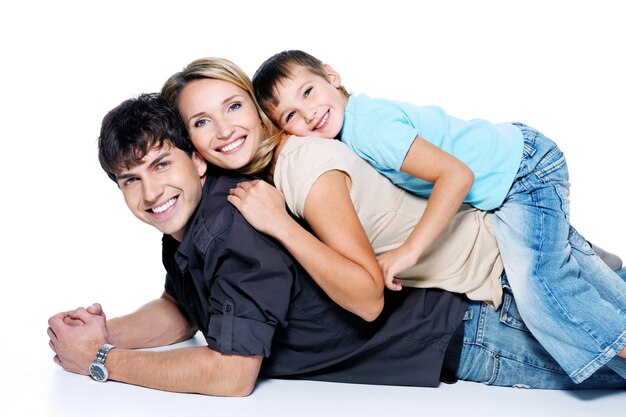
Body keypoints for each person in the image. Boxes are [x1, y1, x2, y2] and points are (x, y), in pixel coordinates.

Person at [47, 93, 626, 394]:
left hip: (469, 333)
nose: (151, 191)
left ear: (197, 162)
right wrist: (109, 330)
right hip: (468, 298)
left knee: (606, 360)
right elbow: (184, 308)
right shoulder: (190, 223)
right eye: (130, 180)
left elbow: (232, 375)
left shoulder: (234, 227)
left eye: (160, 164)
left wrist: (103, 362)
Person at [249, 50, 626, 383]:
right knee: (588, 284)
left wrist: (409, 251)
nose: (308, 114)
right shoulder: (348, 131)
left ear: (332, 75)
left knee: (542, 293)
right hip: (506, 182)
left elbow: (456, 175)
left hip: (523, 172)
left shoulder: (367, 128)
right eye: (291, 115)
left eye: (308, 92)